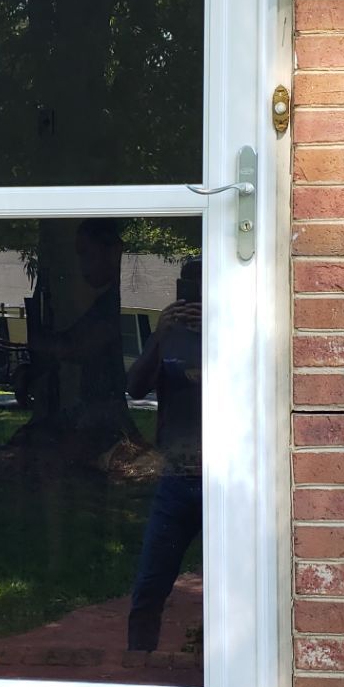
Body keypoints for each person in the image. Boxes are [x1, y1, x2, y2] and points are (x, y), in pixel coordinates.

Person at [125, 257, 202, 659]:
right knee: (150, 584)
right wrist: (158, 337)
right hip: (175, 479)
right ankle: (137, 669)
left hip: (224, 479)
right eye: (186, 285)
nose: (192, 296)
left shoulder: (238, 328)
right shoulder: (170, 333)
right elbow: (136, 387)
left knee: (234, 589)